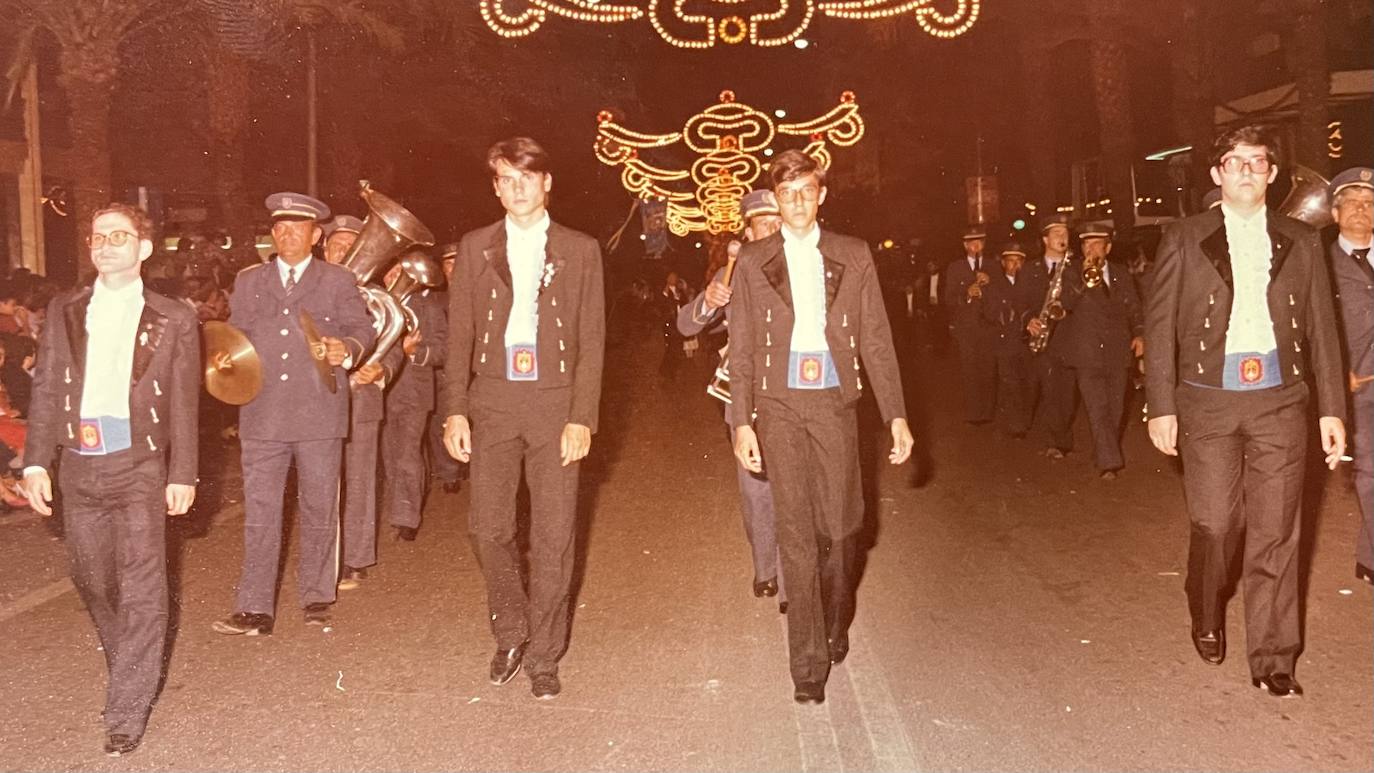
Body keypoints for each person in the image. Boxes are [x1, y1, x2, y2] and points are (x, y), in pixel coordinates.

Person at [1144, 125, 1346, 698]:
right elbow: (1158, 328)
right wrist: (1161, 405)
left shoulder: (1301, 238)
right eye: (1235, 163)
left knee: (1277, 531)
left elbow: (1322, 331)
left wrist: (1331, 408)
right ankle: (1205, 608)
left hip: (1281, 401)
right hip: (1206, 401)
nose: (1248, 172)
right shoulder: (1185, 236)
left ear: (1272, 173)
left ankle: (1274, 656)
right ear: (1217, 175)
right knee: (1216, 523)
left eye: (1258, 163)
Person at [730, 150, 913, 705]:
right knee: (796, 535)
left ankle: (836, 621)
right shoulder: (754, 261)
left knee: (841, 531)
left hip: (834, 401)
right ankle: (806, 666)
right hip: (779, 404)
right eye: (788, 195)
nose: (798, 203)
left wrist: (896, 414)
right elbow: (740, 347)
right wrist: (742, 420)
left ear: (822, 194)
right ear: (776, 199)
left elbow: (877, 338)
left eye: (807, 191)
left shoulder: (853, 255)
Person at [21, 203, 199, 756]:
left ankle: (125, 709)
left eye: (119, 236)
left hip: (141, 464)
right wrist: (33, 461)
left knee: (145, 588)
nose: (106, 245)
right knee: (94, 579)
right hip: (79, 464)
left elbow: (187, 403)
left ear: (144, 249)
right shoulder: (65, 308)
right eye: (98, 236)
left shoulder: (175, 317)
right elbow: (47, 386)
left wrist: (183, 472)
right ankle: (131, 664)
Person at [442, 137, 605, 700]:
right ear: (495, 187)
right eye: (506, 180)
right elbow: (458, 332)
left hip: (555, 402)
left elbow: (593, 340)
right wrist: (455, 410)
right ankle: (511, 631)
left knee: (555, 534)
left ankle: (543, 654)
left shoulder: (580, 249)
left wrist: (582, 416)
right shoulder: (475, 246)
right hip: (492, 398)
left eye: (526, 179)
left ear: (547, 182)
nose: (517, 190)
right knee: (487, 527)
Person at [213, 192, 374, 635]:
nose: (286, 235)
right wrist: (224, 359)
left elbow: (362, 330)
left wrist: (348, 350)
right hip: (262, 413)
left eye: (297, 228)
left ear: (316, 235)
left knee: (320, 505)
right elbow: (235, 335)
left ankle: (317, 596)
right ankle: (254, 607)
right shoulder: (249, 280)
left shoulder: (337, 280)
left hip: (318, 410)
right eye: (279, 228)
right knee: (261, 510)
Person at [677, 189, 786, 607]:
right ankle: (766, 569)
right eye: (764, 223)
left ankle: (794, 573)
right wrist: (709, 298)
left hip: (794, 392)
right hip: (745, 396)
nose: (773, 230)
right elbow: (687, 325)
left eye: (778, 222)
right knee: (757, 484)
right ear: (748, 229)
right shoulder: (733, 272)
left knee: (795, 486)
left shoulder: (803, 267)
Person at [322, 215, 398, 590]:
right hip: (317, 401)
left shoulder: (376, 295)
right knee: (322, 483)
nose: (346, 252)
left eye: (354, 246)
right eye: (338, 245)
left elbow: (396, 342)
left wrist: (381, 368)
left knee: (360, 480)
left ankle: (355, 559)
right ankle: (325, 559)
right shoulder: (308, 289)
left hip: (362, 400)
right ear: (324, 247)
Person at [1055, 223, 1143, 479]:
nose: (1090, 249)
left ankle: (1104, 450)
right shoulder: (1070, 272)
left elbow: (1134, 307)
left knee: (1115, 409)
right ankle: (1109, 463)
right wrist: (1082, 279)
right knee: (1097, 407)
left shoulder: (1120, 273)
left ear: (1108, 247)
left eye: (1096, 244)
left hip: (1118, 350)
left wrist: (1139, 333)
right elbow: (1064, 306)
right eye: (1086, 244)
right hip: (1086, 352)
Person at [1326, 166, 1374, 585]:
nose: (1361, 210)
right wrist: (1336, 372)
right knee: (1372, 472)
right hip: (1358, 389)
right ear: (1336, 214)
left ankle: (1368, 554)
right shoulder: (1319, 266)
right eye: (1352, 203)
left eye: (1369, 203)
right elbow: (1310, 329)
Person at [382, 256, 447, 541]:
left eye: (400, 272)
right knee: (390, 454)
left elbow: (444, 348)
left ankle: (405, 517)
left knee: (407, 452)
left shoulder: (428, 306)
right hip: (380, 392)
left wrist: (414, 353)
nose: (394, 277)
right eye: (389, 272)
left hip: (413, 392)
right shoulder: (373, 304)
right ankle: (401, 505)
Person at [1023, 213, 1078, 459]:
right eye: (1056, 234)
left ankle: (1061, 437)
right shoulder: (1030, 269)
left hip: (1067, 337)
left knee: (1066, 391)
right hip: (1042, 338)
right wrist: (1027, 320)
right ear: (1045, 239)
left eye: (1065, 234)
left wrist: (1066, 306)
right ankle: (1056, 441)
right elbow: (1020, 300)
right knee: (1048, 389)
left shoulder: (1075, 267)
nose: (1062, 238)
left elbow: (1081, 296)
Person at [980, 242, 1038, 438]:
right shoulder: (994, 285)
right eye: (1011, 261)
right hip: (1005, 342)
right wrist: (1004, 313)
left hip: (1027, 342)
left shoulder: (1030, 283)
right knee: (1010, 383)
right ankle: (1017, 425)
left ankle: (1026, 419)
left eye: (1019, 261)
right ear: (1003, 263)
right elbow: (988, 312)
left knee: (1030, 382)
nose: (1015, 265)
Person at [942, 224, 997, 424]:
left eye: (980, 242)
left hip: (988, 326)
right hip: (967, 328)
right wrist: (966, 293)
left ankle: (988, 413)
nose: (976, 246)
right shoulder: (955, 267)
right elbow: (948, 299)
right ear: (965, 246)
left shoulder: (992, 265)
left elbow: (1002, 295)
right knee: (970, 371)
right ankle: (975, 413)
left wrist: (989, 285)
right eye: (972, 243)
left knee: (988, 370)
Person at [427, 243, 467, 494]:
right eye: (449, 263)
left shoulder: (482, 295)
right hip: (444, 370)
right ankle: (448, 471)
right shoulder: (435, 300)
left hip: (476, 370)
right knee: (441, 419)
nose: (454, 269)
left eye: (458, 263)